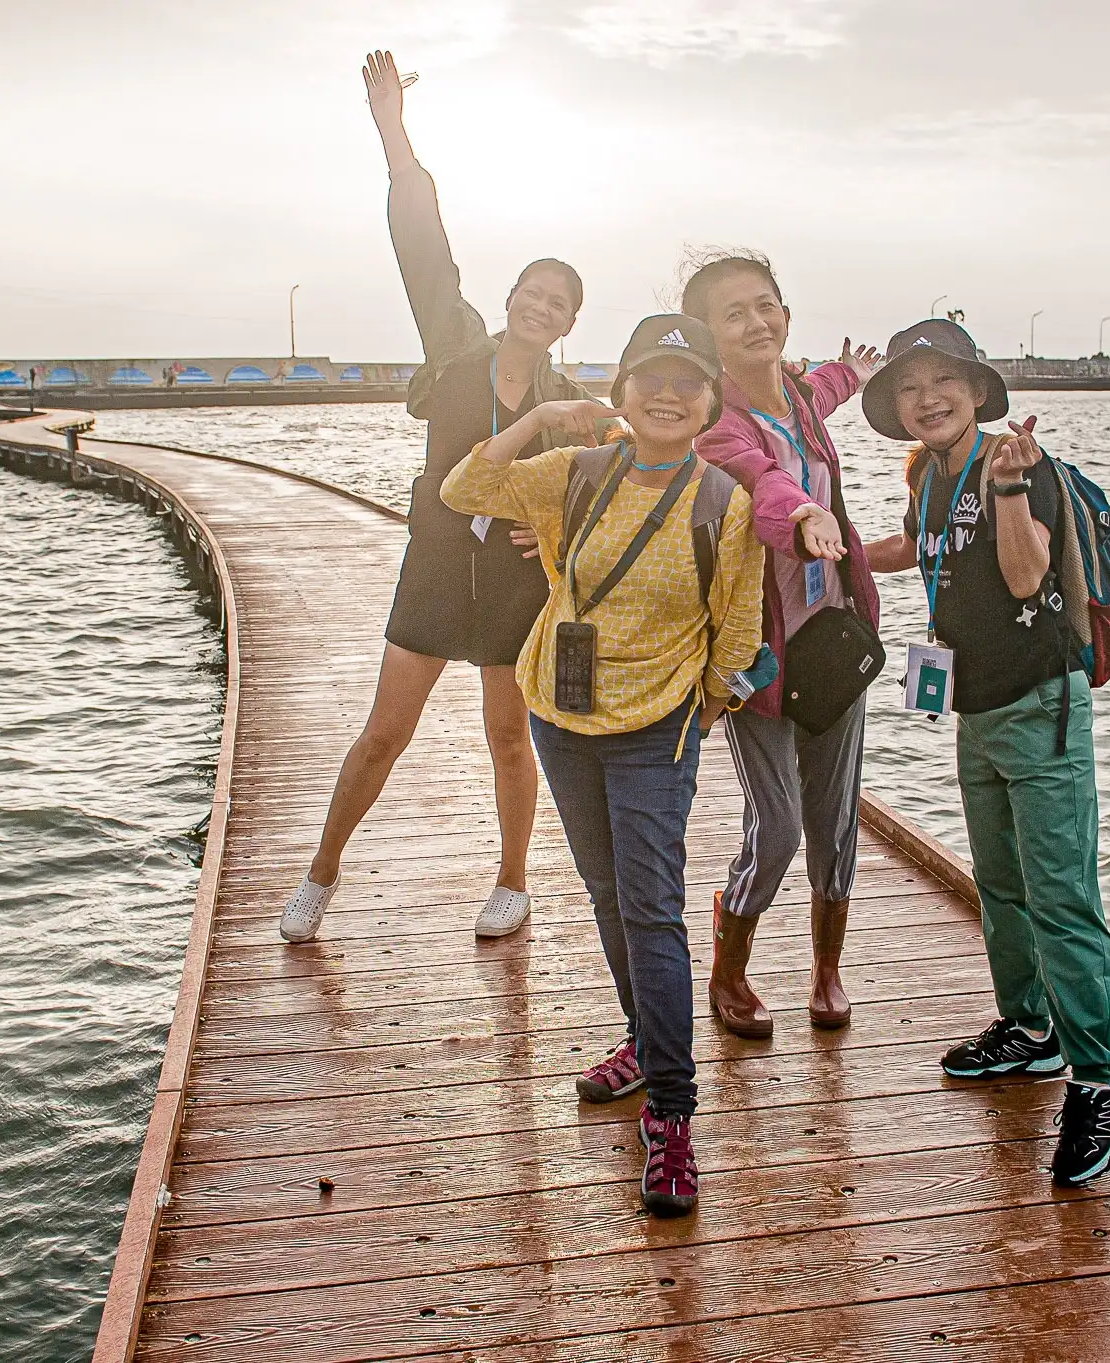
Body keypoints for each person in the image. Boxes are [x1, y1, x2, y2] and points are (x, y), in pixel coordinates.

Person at [442, 312, 765, 1217]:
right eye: (649, 377)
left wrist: (708, 706)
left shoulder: (721, 502)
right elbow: (465, 484)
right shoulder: (575, 473)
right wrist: (544, 418)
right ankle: (641, 1036)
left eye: (688, 381)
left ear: (709, 400)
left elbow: (738, 625)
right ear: (620, 391)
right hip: (559, 709)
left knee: (654, 909)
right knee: (604, 891)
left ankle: (671, 1114)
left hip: (656, 728)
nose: (668, 394)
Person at [275, 48, 592, 944]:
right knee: (385, 730)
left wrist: (554, 540)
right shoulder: (456, 343)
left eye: (558, 301)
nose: (541, 307)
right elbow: (422, 243)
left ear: (570, 322)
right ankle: (320, 875)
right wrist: (392, 133)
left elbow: (595, 495)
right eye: (532, 292)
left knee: (507, 734)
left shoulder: (569, 406)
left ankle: (512, 882)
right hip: (439, 560)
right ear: (510, 300)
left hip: (515, 584)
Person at [859, 318, 1110, 1188]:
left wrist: (1013, 491)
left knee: (1061, 896)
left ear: (978, 392)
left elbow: (1025, 577)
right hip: (975, 708)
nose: (927, 398)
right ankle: (1030, 1028)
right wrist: (823, 553)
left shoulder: (1019, 466)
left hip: (1041, 705)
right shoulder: (929, 472)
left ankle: (1100, 1077)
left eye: (944, 381)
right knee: (1002, 885)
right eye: (909, 387)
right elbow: (921, 547)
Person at [681, 252, 882, 1040]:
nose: (757, 322)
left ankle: (827, 967)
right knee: (779, 827)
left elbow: (822, 390)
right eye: (734, 314)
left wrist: (853, 372)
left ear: (786, 316)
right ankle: (729, 971)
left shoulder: (800, 397)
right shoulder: (716, 426)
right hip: (761, 660)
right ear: (709, 337)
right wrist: (803, 517)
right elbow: (764, 481)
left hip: (833, 642)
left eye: (766, 306)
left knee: (836, 823)